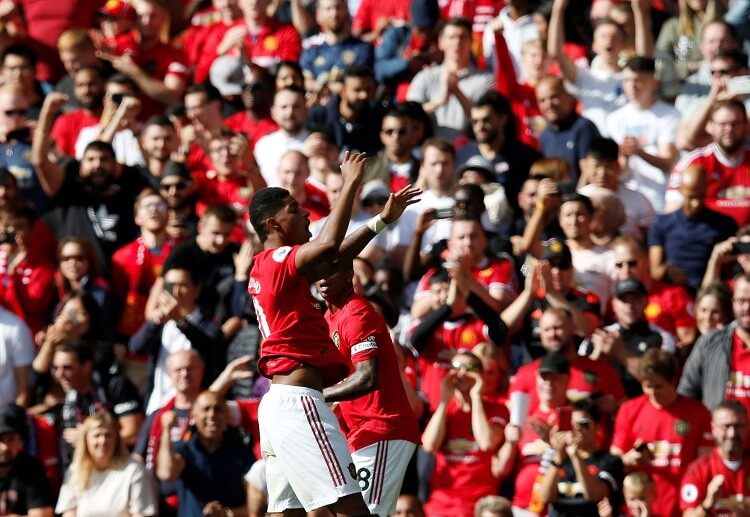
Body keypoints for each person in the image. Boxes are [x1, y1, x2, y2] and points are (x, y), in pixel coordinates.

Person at [246, 151, 418, 515]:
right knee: (353, 512)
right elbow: (327, 247)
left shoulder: (272, 270)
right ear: (274, 224)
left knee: (287, 512)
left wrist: (379, 223)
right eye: (295, 209)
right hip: (299, 402)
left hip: (280, 404)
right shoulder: (277, 261)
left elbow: (334, 256)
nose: (307, 213)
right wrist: (350, 184)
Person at [316, 262, 420, 516]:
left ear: (350, 274)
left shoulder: (357, 313)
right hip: (360, 433)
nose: (323, 277)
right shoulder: (329, 318)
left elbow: (367, 378)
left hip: (383, 428)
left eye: (331, 269)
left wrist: (317, 397)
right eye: (317, 270)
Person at [611, 348, 713, 517]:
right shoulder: (629, 411)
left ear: (673, 381)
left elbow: (705, 465)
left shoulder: (697, 412)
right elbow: (613, 462)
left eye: (659, 386)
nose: (653, 393)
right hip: (638, 511)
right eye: (647, 386)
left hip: (680, 508)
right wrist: (627, 459)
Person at [421, 349, 508, 517]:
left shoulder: (498, 409)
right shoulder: (445, 409)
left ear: (480, 374)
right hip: (441, 504)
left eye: (469, 367)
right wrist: (445, 400)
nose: (462, 372)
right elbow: (429, 445)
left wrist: (476, 396)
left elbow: (486, 443)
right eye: (456, 367)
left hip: (481, 506)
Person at [157, 391, 252, 517]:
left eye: (218, 409)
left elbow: (256, 507)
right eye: (205, 409)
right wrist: (166, 429)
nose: (212, 414)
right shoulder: (185, 449)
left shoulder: (241, 452)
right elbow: (166, 473)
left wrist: (227, 514)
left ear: (228, 416)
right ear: (194, 416)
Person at [649, 165, 737, 291]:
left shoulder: (724, 224)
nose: (696, 203)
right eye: (690, 197)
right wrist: (667, 270)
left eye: (701, 196)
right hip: (674, 297)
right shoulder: (661, 223)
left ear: (707, 189)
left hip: (712, 294)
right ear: (680, 190)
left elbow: (735, 268)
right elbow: (654, 271)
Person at [585, 279, 676, 398]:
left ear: (646, 301)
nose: (630, 306)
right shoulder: (599, 336)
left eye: (635, 299)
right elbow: (580, 378)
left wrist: (621, 354)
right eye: (624, 300)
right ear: (613, 304)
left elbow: (660, 380)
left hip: (643, 408)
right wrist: (597, 356)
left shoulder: (662, 337)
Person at [406, 17, 494, 140]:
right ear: (441, 42)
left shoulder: (486, 80)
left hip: (472, 152)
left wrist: (457, 91)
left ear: (471, 41)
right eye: (451, 37)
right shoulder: (425, 77)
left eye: (462, 37)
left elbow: (490, 120)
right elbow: (409, 115)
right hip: (431, 152)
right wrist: (439, 101)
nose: (457, 42)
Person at [666, 99, 750, 227]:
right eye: (722, 124)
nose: (729, 129)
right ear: (710, 126)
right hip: (705, 241)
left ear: (746, 125)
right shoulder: (694, 163)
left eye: (735, 123)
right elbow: (672, 216)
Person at [56, 412, 158, 517]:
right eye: (97, 435)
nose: (103, 441)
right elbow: (69, 512)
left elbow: (140, 514)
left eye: (108, 435)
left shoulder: (134, 469)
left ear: (117, 440)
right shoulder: (75, 470)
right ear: (85, 440)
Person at [539, 399, 624, 517]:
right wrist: (558, 457)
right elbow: (545, 497)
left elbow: (595, 495)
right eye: (572, 424)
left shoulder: (611, 461)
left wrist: (575, 456)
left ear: (597, 427)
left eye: (583, 423)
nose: (577, 428)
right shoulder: (558, 459)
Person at [679, 272, 750, 413]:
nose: (747, 308)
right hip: (715, 433)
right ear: (733, 302)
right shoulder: (709, 343)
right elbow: (686, 395)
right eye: (741, 301)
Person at [680, 400, 750, 516]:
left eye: (738, 426)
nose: (732, 434)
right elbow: (687, 515)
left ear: (747, 427)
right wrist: (708, 503)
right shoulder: (697, 470)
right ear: (713, 428)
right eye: (725, 426)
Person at [536, 76, 601, 185]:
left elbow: (588, 172)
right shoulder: (545, 136)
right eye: (542, 100)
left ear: (567, 96)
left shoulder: (584, 127)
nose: (549, 104)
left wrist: (575, 199)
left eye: (554, 97)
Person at [0, 403, 55, 516]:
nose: (4, 447)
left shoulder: (31, 467)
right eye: (0, 440)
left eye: (10, 439)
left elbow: (44, 514)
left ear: (19, 439)